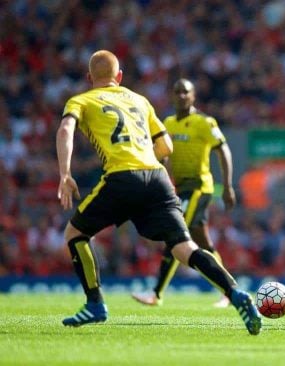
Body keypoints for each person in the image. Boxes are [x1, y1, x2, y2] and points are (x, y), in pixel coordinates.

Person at [56, 50, 261, 335]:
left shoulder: (81, 100)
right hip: (157, 177)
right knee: (184, 247)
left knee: (75, 234)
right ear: (120, 77)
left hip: (121, 176)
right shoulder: (140, 100)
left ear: (90, 78)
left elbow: (66, 130)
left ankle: (95, 304)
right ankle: (236, 293)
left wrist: (65, 174)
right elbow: (166, 146)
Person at [131, 78, 234, 308]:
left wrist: (227, 185)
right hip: (179, 189)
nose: (181, 96)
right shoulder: (168, 122)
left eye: (186, 92)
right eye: (177, 92)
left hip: (198, 187)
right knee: (202, 243)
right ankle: (229, 291)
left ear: (193, 96)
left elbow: (222, 149)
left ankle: (156, 293)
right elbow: (163, 154)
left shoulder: (204, 122)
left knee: (175, 234)